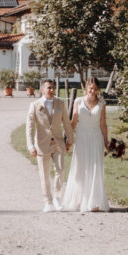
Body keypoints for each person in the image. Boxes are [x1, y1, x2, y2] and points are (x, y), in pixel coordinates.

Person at [62, 76, 110, 212]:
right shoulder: (78, 101)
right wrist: (69, 140)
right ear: (86, 88)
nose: (93, 91)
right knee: (80, 167)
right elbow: (73, 122)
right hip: (81, 137)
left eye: (95, 89)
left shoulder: (102, 104)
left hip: (96, 138)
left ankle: (94, 202)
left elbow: (103, 124)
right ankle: (79, 200)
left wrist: (106, 142)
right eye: (91, 88)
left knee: (95, 168)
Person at [26, 79, 74, 212]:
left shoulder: (60, 104)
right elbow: (30, 127)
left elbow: (67, 123)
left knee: (60, 171)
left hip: (58, 143)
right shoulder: (35, 105)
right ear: (42, 90)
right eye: (49, 88)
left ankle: (57, 198)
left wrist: (70, 140)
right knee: (44, 174)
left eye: (53, 88)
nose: (52, 90)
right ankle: (47, 201)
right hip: (42, 145)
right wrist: (30, 145)